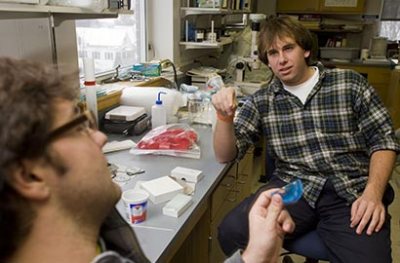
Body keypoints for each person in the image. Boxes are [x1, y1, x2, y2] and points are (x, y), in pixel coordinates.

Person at [0, 57, 293, 263]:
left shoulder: (106, 232)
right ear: (31, 176)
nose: (101, 137)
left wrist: (253, 257)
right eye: (79, 128)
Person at [212, 16, 400, 262]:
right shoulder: (262, 101)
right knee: (231, 232)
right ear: (267, 61)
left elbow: (383, 139)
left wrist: (373, 194)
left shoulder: (349, 84)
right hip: (294, 187)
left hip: (350, 188)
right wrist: (224, 118)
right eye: (272, 53)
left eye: (288, 48)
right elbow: (225, 154)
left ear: (306, 49)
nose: (281, 59)